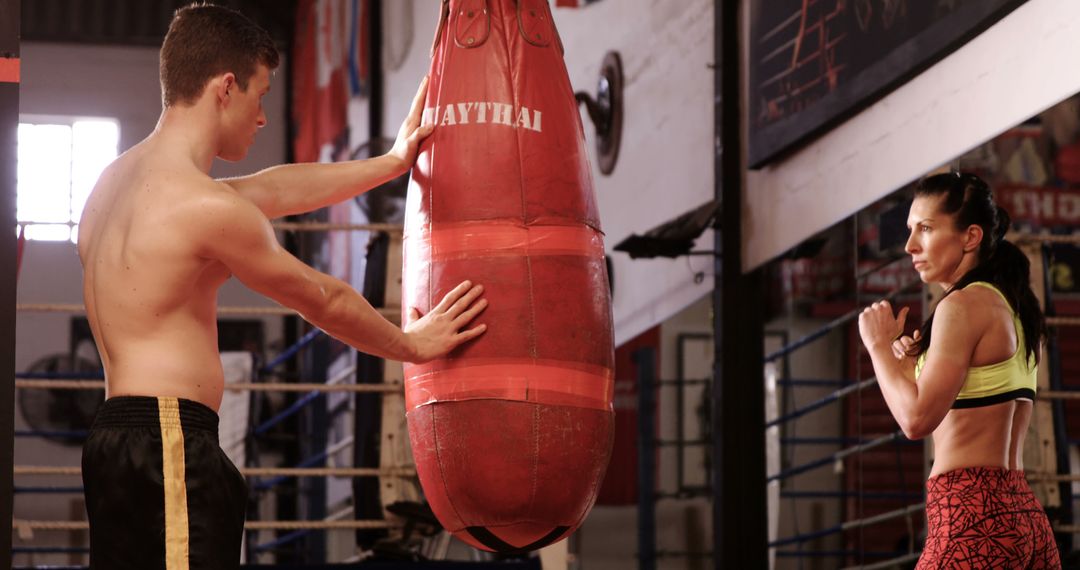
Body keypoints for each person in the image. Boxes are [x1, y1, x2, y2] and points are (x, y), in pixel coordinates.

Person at [77, 4, 487, 569]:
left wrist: (391, 163)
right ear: (226, 87)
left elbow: (273, 190)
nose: (263, 117)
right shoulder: (203, 207)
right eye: (260, 94)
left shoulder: (112, 186)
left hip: (115, 441)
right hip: (168, 441)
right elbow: (324, 298)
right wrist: (412, 345)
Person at [858, 171, 1060, 568]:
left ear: (970, 237)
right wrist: (906, 366)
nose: (910, 245)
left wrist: (878, 347)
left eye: (927, 228)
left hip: (972, 517)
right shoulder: (1014, 307)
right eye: (910, 229)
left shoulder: (961, 307)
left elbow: (916, 421)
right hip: (1024, 519)